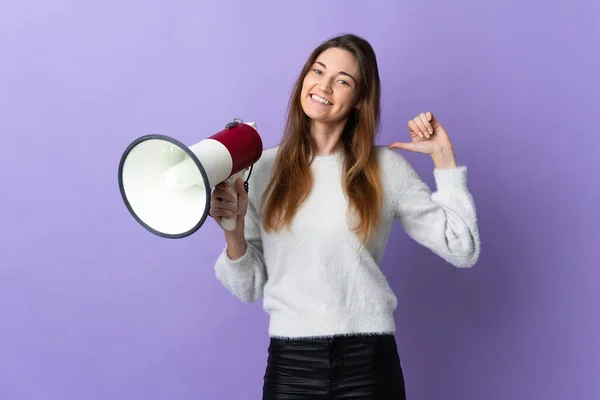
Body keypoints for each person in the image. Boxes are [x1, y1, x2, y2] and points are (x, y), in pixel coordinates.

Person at [210, 33, 481, 400]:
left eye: (342, 80)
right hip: (291, 363)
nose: (324, 85)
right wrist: (233, 231)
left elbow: (462, 249)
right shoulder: (260, 169)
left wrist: (444, 159)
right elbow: (249, 287)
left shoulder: (385, 169)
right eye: (317, 71)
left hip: (368, 363)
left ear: (358, 100)